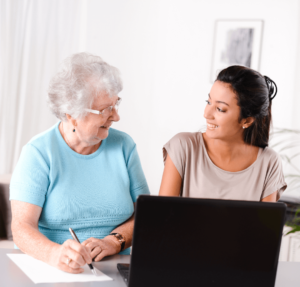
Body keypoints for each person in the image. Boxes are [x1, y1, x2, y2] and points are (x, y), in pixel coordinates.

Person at [10, 52, 150, 274]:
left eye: (116, 105)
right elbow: (21, 227)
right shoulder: (38, 153)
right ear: (72, 114)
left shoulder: (124, 146)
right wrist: (54, 254)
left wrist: (114, 241)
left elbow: (145, 213)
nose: (116, 117)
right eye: (106, 109)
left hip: (117, 270)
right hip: (54, 270)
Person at [159, 65, 287, 202]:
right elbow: (162, 217)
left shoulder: (269, 163)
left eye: (220, 109)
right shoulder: (183, 146)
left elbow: (265, 223)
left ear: (247, 120)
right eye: (208, 102)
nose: (206, 114)